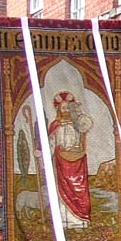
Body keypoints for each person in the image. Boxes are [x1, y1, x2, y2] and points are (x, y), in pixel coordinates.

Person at [48, 91, 92, 229]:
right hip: (62, 161)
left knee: (79, 189)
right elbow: (51, 142)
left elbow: (82, 138)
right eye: (64, 108)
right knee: (63, 189)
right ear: (59, 109)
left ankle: (80, 221)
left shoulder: (77, 124)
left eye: (68, 108)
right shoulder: (56, 125)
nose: (66, 110)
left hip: (77, 160)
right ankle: (64, 222)